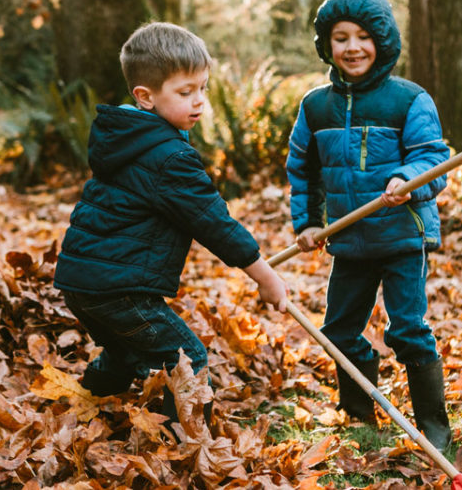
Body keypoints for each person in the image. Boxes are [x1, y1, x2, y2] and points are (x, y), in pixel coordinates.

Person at [53, 21, 288, 433]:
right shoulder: (168, 157)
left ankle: (83, 405)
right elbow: (214, 223)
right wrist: (264, 276)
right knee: (188, 361)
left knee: (125, 352)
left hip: (82, 282)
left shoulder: (125, 137)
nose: (199, 102)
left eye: (203, 89)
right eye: (185, 92)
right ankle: (184, 448)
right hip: (120, 289)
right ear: (145, 96)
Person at [286, 0, 452, 451]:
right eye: (340, 38)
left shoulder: (408, 100)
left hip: (403, 237)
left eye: (363, 36)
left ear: (382, 41)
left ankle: (435, 430)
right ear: (327, 45)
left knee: (408, 331)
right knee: (337, 331)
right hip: (348, 240)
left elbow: (432, 160)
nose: (352, 47)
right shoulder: (316, 106)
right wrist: (306, 223)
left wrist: (407, 180)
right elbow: (302, 170)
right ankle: (360, 418)